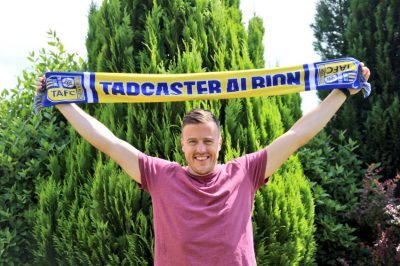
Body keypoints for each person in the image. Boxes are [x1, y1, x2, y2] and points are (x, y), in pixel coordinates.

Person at [36, 65, 370, 265]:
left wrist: (341, 91)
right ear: (181, 145)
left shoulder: (245, 172)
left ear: (219, 144)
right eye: (193, 142)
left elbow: (297, 134)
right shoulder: (160, 175)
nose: (200, 150)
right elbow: (107, 142)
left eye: (207, 141)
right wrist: (63, 102)